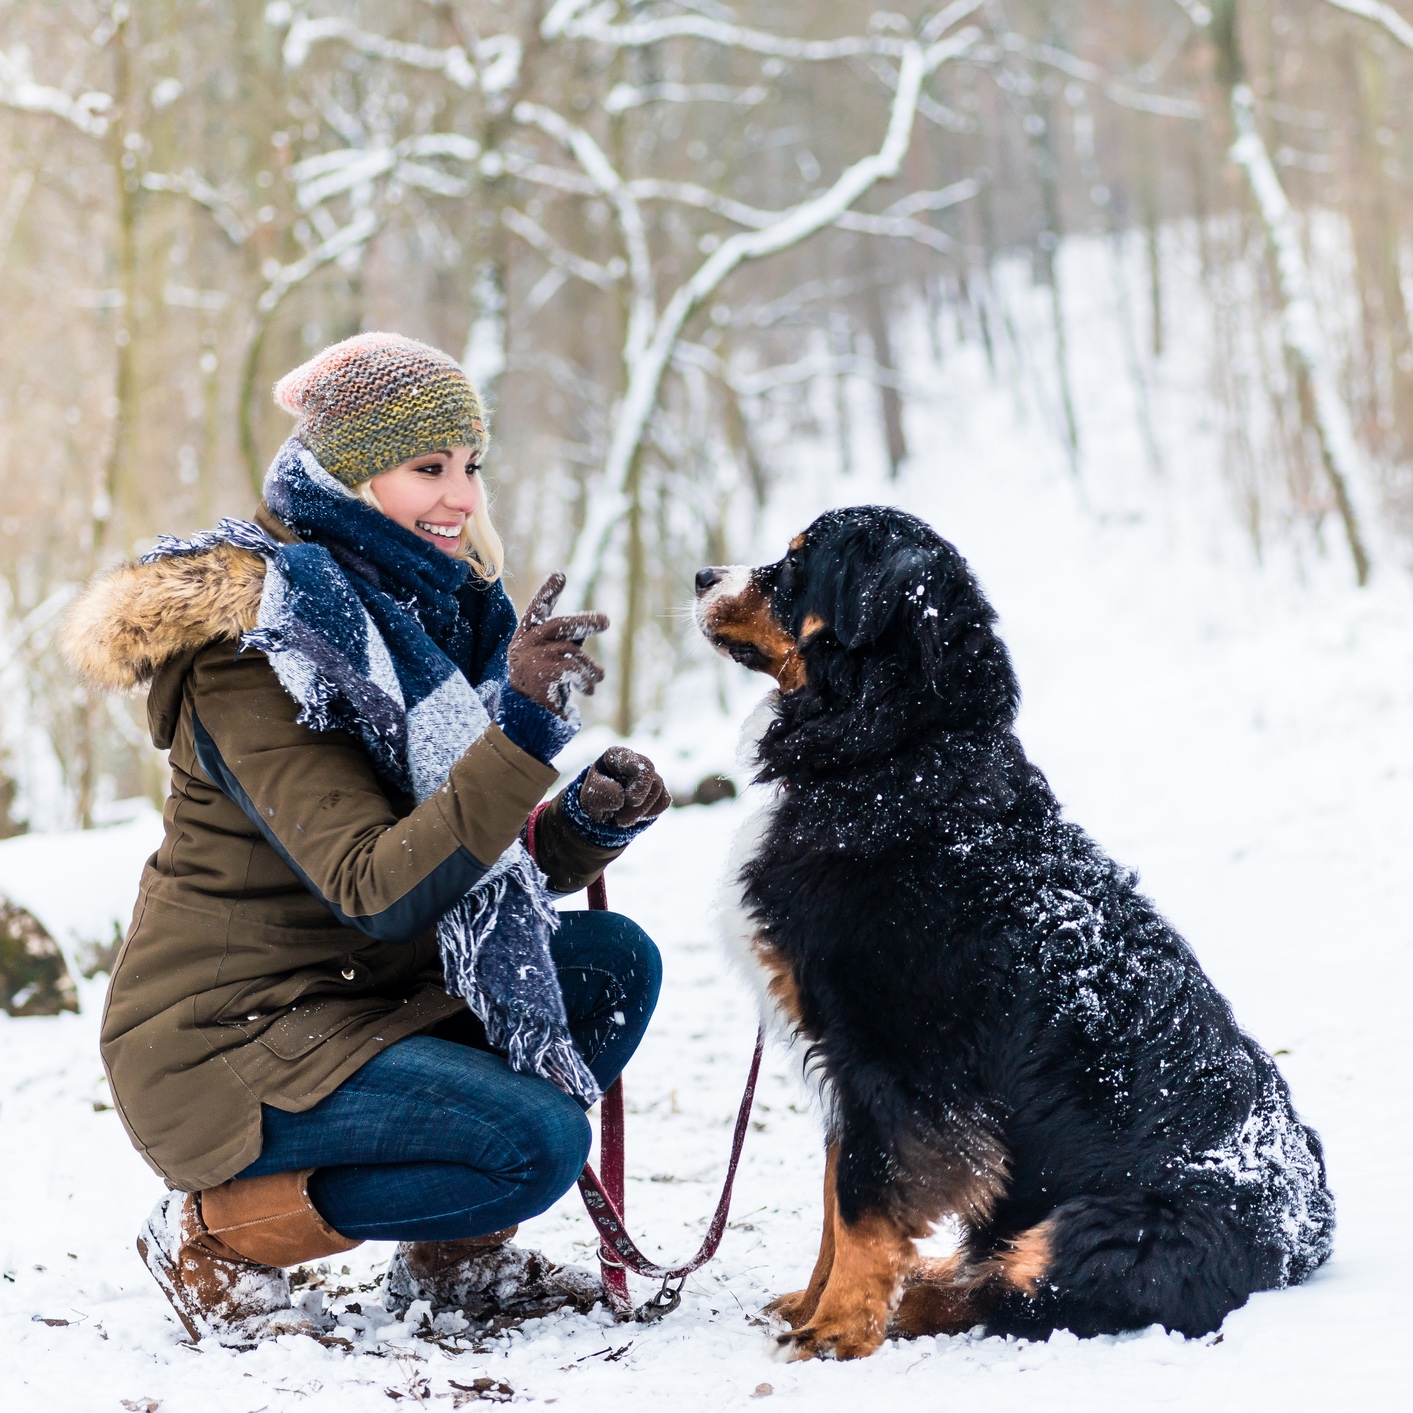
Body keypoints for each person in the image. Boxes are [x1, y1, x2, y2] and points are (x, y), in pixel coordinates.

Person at [63, 333, 670, 1344]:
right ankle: (213, 1236)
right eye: (428, 469)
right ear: (348, 476)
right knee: (535, 1142)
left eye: (470, 467)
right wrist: (518, 731)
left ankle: (456, 1264)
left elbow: (453, 866)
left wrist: (579, 826)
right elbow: (379, 885)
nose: (462, 498)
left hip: (367, 1001)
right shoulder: (257, 647)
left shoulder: (426, 614)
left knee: (612, 966)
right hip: (231, 1040)